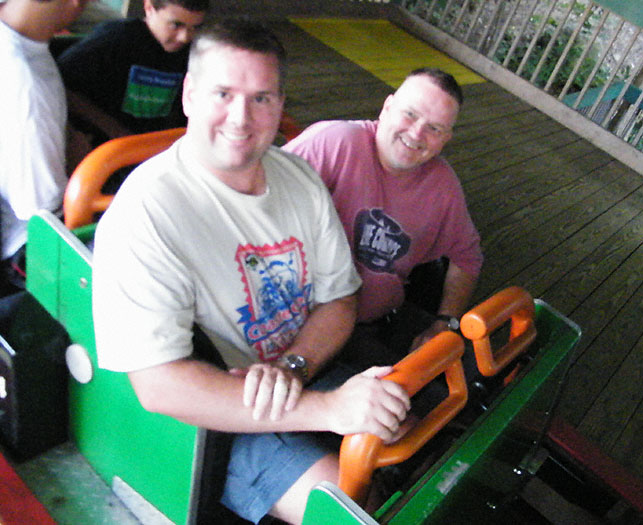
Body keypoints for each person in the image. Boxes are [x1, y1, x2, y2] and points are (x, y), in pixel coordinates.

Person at [92, 20, 411, 525]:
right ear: (190, 96)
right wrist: (328, 411)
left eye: (261, 98)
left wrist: (292, 369)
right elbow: (160, 386)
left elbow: (339, 299)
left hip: (308, 368)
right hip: (219, 420)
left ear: (281, 105)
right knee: (352, 510)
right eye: (223, 93)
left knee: (415, 441)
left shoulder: (299, 178)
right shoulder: (145, 214)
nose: (240, 118)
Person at [284, 68, 483, 368]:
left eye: (435, 128)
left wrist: (446, 323)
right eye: (410, 115)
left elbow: (467, 256)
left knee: (472, 380)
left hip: (381, 322)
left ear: (446, 139)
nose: (416, 134)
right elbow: (258, 196)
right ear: (387, 107)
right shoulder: (334, 142)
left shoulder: (443, 186)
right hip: (296, 325)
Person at [0, 0, 89, 294]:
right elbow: (42, 211)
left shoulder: (24, 44)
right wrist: (79, 160)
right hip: (22, 247)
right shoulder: (25, 84)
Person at [56, 0, 208, 143]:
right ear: (149, 8)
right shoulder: (115, 39)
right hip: (107, 150)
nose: (185, 37)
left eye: (195, 27)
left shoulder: (193, 51)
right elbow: (62, 86)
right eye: (175, 25)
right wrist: (114, 130)